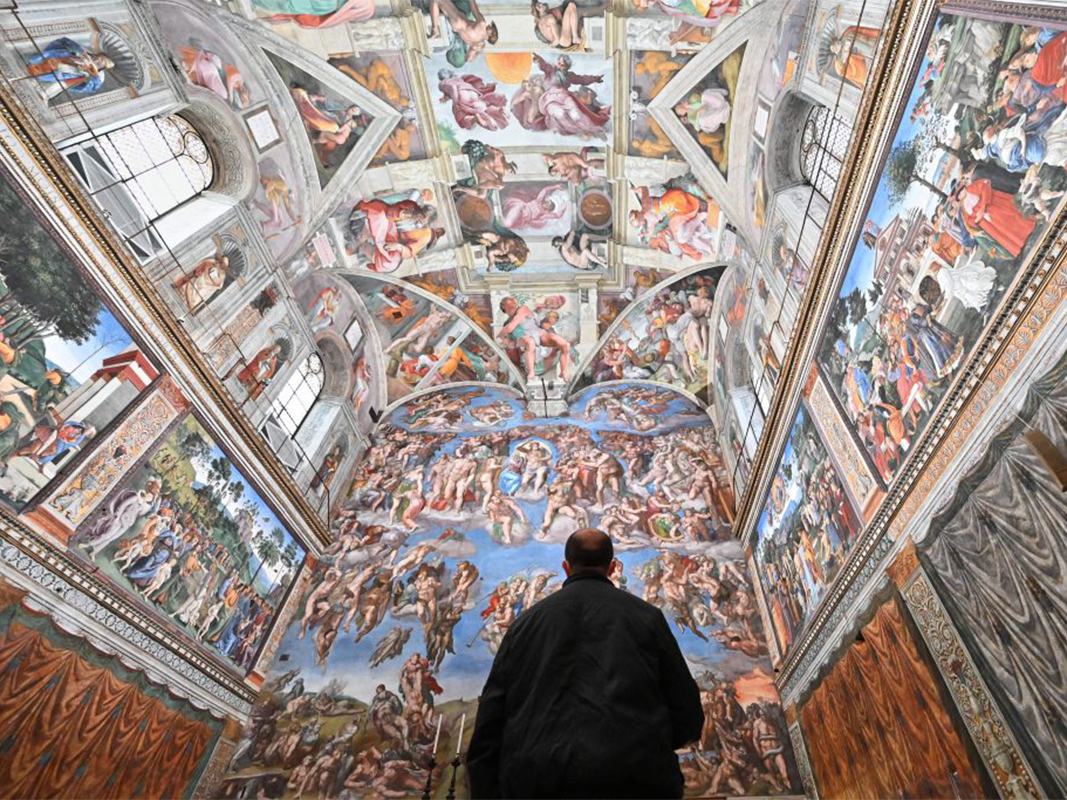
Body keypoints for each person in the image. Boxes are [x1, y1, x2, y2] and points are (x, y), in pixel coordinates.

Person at [467, 528, 703, 798]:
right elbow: (687, 712)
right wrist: (650, 746)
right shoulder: (646, 617)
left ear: (566, 567)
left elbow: (492, 717)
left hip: (538, 781)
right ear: (611, 567)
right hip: (634, 779)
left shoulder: (524, 624)